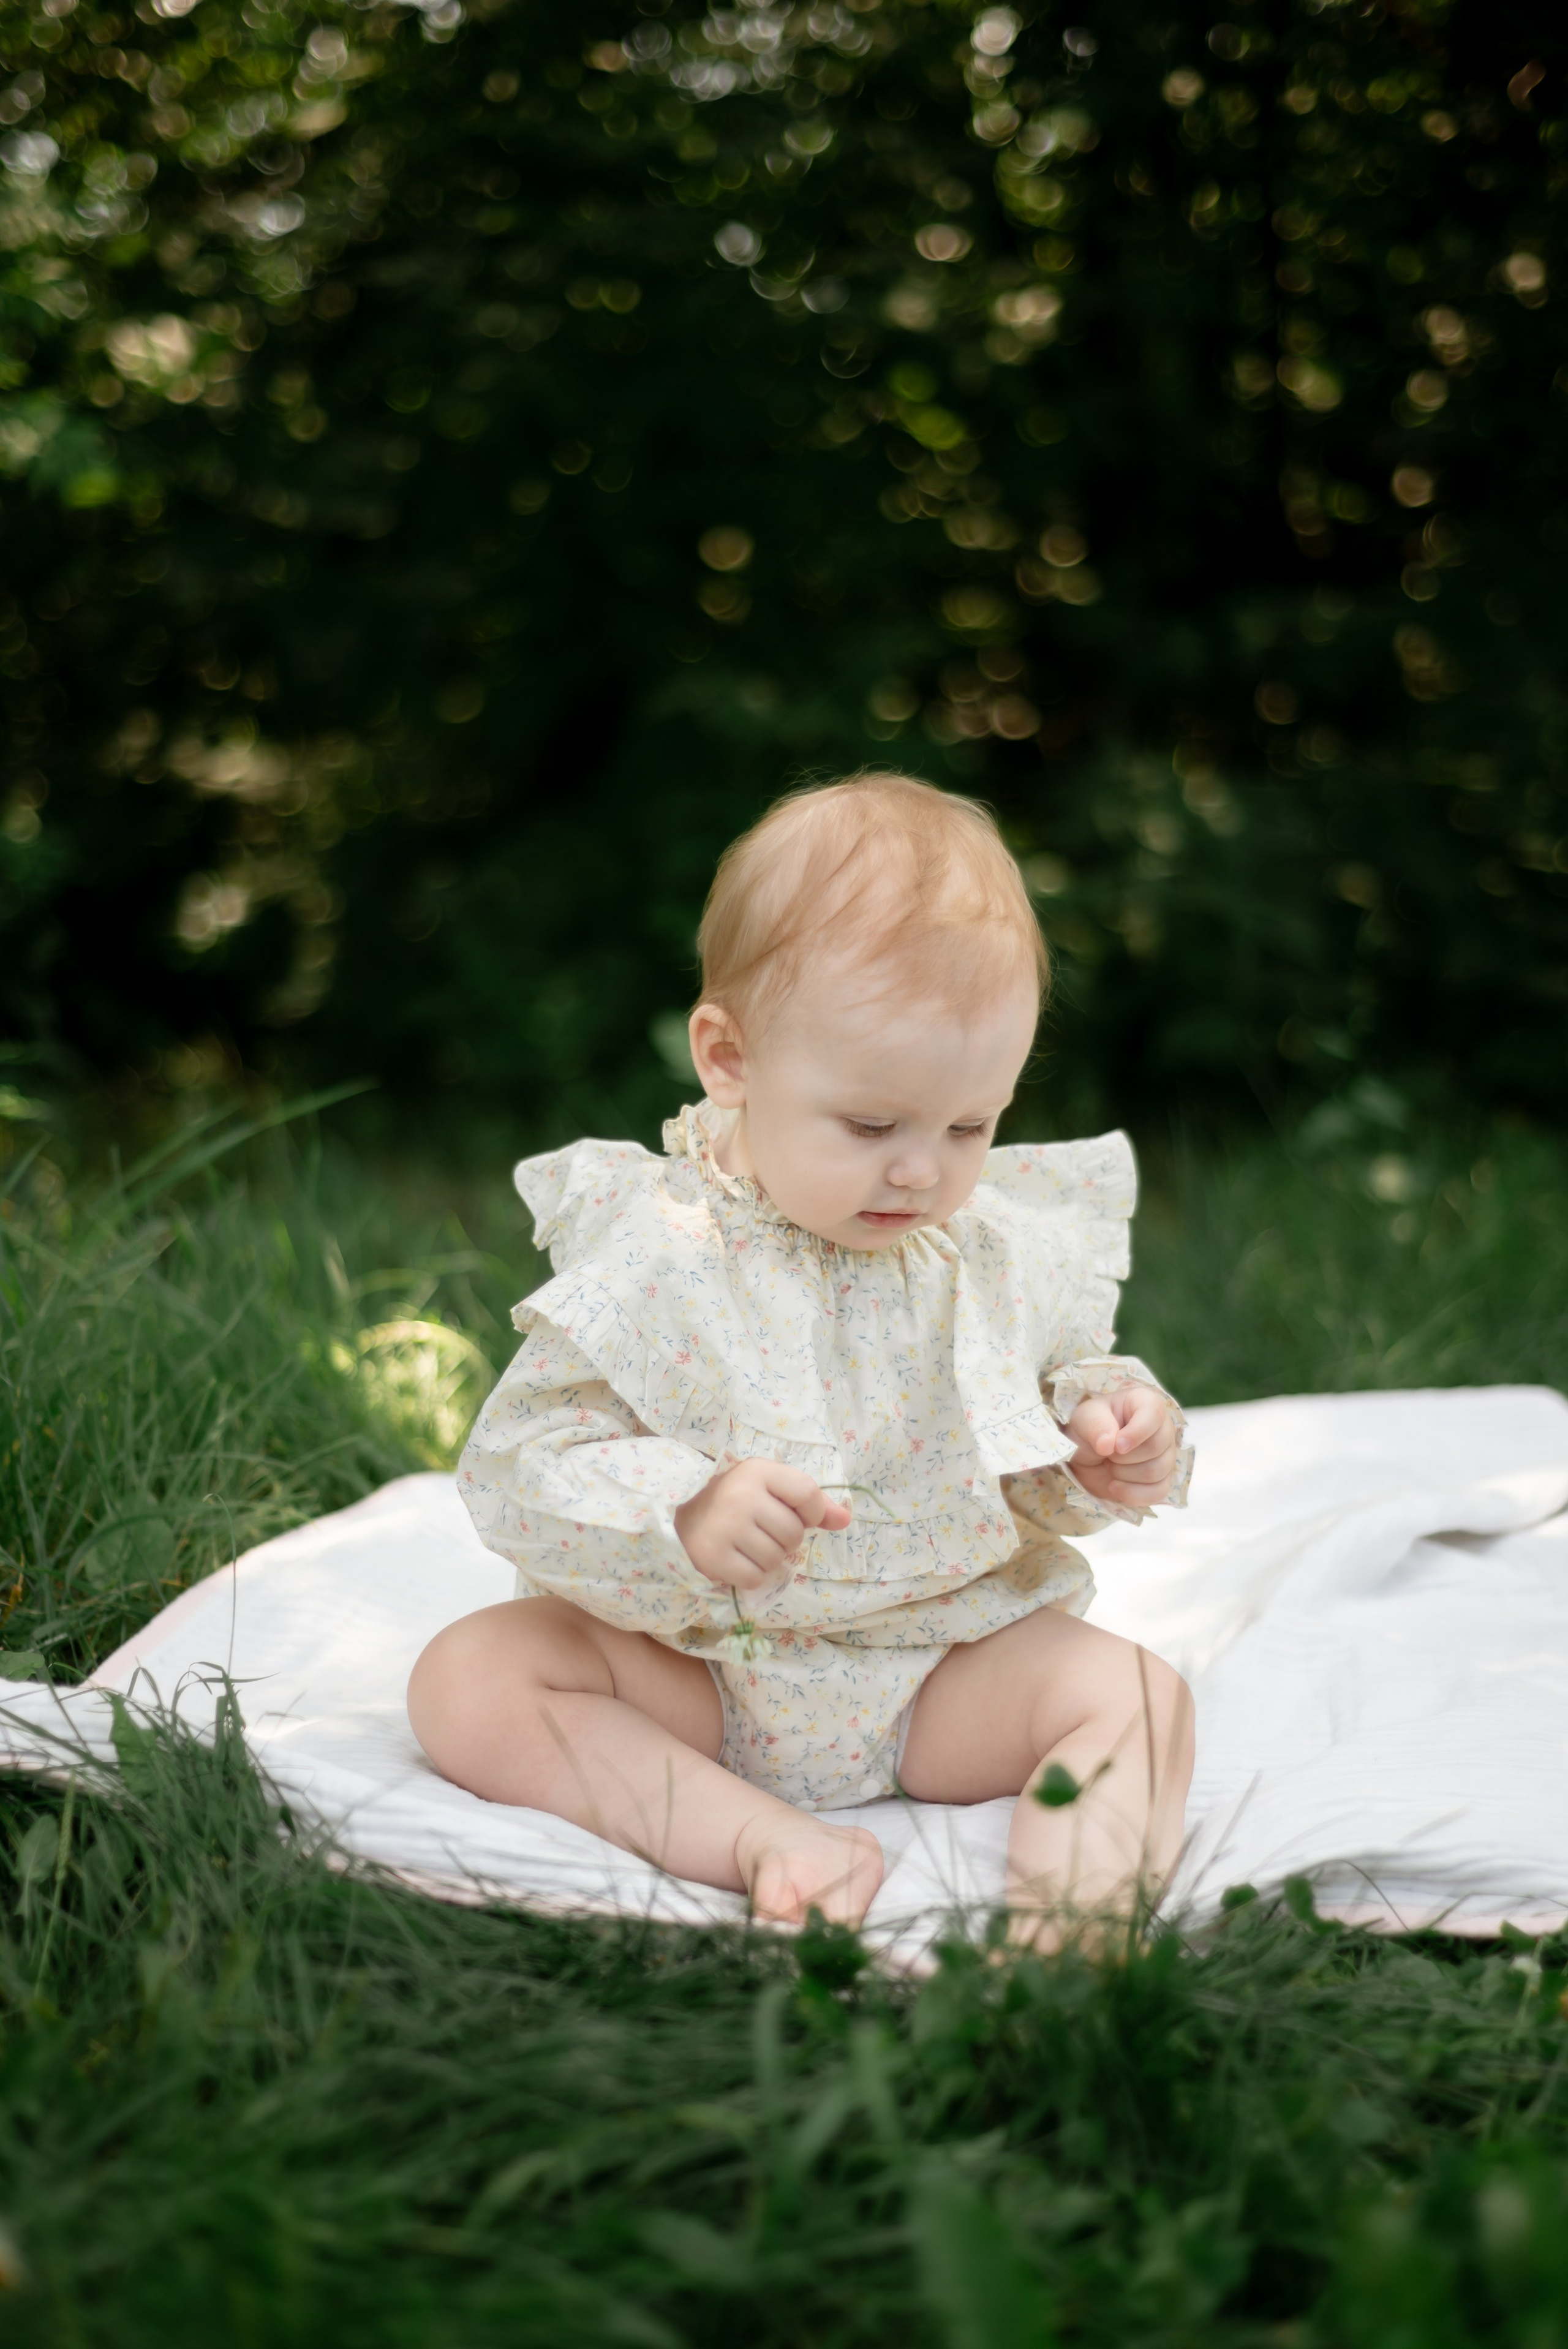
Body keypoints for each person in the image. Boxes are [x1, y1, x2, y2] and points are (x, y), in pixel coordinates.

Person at [408, 774, 1194, 1942]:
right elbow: (525, 1464)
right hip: (696, 1667)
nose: (924, 1171)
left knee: (1143, 1697)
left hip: (939, 1661)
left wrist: (1104, 1436)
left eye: (970, 1126)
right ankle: (754, 1835)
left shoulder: (986, 1255)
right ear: (730, 1058)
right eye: (872, 1126)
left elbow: (1051, 1393)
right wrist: (683, 1510)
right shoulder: (663, 1251)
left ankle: (1068, 1942)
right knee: (467, 1681)